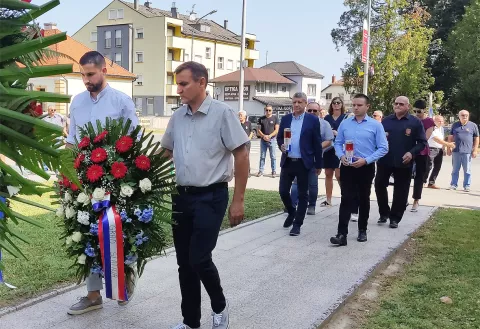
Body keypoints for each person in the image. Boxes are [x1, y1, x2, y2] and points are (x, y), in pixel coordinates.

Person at [161, 61, 249, 329]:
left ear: (202, 83)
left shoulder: (222, 113)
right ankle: (191, 322)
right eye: (177, 83)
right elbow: (165, 152)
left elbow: (242, 153)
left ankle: (220, 306)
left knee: (198, 257)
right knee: (184, 264)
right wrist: (133, 169)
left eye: (184, 83)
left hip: (211, 197)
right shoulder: (177, 117)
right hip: (182, 197)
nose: (179, 89)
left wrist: (239, 200)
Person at [65, 51, 139, 315]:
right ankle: (93, 294)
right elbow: (72, 140)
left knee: (117, 230)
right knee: (88, 234)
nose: (86, 80)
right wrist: (66, 175)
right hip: (84, 181)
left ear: (104, 70)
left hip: (117, 180)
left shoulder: (122, 102)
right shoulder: (77, 102)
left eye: (90, 74)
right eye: (82, 75)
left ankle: (124, 279)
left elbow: (133, 142)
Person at [330, 94, 388, 246]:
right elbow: (337, 143)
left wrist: (367, 160)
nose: (355, 108)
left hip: (365, 167)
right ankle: (341, 234)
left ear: (367, 107)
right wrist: (341, 155)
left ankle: (362, 229)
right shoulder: (345, 123)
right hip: (347, 166)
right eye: (354, 105)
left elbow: (383, 148)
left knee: (363, 198)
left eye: (359, 105)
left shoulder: (376, 125)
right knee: (346, 198)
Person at [375, 96, 427, 229]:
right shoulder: (386, 121)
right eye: (396, 103)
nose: (397, 105)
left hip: (404, 162)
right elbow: (378, 139)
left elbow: (422, 142)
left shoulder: (415, 122)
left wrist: (411, 152)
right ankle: (384, 212)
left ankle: (395, 218)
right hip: (384, 160)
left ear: (408, 106)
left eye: (401, 104)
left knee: (401, 190)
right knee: (379, 185)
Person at [277, 92, 323, 236]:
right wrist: (281, 146)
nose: (296, 105)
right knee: (283, 191)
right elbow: (279, 138)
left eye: (300, 102)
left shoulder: (312, 120)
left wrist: (318, 164)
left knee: (303, 194)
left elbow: (317, 143)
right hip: (288, 161)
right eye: (294, 102)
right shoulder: (285, 119)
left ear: (305, 104)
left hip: (304, 162)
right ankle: (291, 211)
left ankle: (297, 224)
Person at [290, 102, 334, 214]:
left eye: (315, 111)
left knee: (312, 183)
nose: (312, 113)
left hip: (314, 158)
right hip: (299, 157)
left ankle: (311, 206)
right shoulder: (299, 123)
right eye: (310, 110)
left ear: (319, 112)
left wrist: (315, 148)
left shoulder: (325, 124)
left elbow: (329, 141)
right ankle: (292, 205)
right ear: (306, 110)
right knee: (296, 182)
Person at [410, 100, 435, 212]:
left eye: (419, 111)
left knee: (419, 177)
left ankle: (416, 200)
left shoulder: (429, 121)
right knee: (404, 175)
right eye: (414, 111)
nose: (416, 113)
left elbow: (425, 138)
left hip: (422, 152)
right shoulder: (412, 120)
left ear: (424, 110)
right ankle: (402, 199)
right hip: (409, 151)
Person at [322, 97, 347, 206]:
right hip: (328, 148)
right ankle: (328, 199)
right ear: (331, 105)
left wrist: (338, 133)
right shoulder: (327, 118)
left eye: (338, 103)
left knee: (339, 175)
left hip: (340, 148)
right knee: (328, 173)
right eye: (334, 103)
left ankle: (345, 197)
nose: (336, 104)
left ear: (342, 105)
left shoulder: (346, 117)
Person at [447, 110, 479, 192]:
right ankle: (453, 184)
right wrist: (448, 148)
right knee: (455, 170)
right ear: (459, 116)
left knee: (467, 170)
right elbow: (450, 137)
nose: (465, 116)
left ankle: (467, 185)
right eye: (463, 115)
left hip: (467, 152)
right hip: (456, 151)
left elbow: (476, 138)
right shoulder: (455, 125)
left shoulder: (473, 125)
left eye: (466, 115)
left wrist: (475, 149)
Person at [426, 115, 455, 189]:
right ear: (434, 121)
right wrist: (448, 144)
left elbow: (441, 138)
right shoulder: (432, 128)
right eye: (439, 121)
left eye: (442, 121)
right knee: (428, 166)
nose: (441, 122)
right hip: (431, 148)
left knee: (437, 167)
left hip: (439, 149)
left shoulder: (441, 128)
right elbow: (436, 139)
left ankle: (431, 183)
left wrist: (444, 148)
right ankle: (423, 181)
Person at [256, 105, 279, 177]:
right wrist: (263, 136)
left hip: (272, 139)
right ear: (265, 110)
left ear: (272, 111)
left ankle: (274, 171)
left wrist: (269, 136)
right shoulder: (261, 119)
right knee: (262, 156)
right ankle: (261, 170)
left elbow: (276, 130)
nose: (268, 112)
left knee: (273, 156)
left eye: (270, 110)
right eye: (267, 110)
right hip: (263, 140)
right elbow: (258, 130)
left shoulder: (275, 118)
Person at [239, 110, 254, 175]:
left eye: (241, 115)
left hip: (247, 143)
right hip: (239, 143)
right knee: (239, 158)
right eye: (239, 115)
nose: (240, 117)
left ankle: (248, 172)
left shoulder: (248, 123)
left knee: (246, 157)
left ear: (245, 116)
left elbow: (251, 132)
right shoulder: (237, 124)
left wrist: (248, 139)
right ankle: (239, 171)